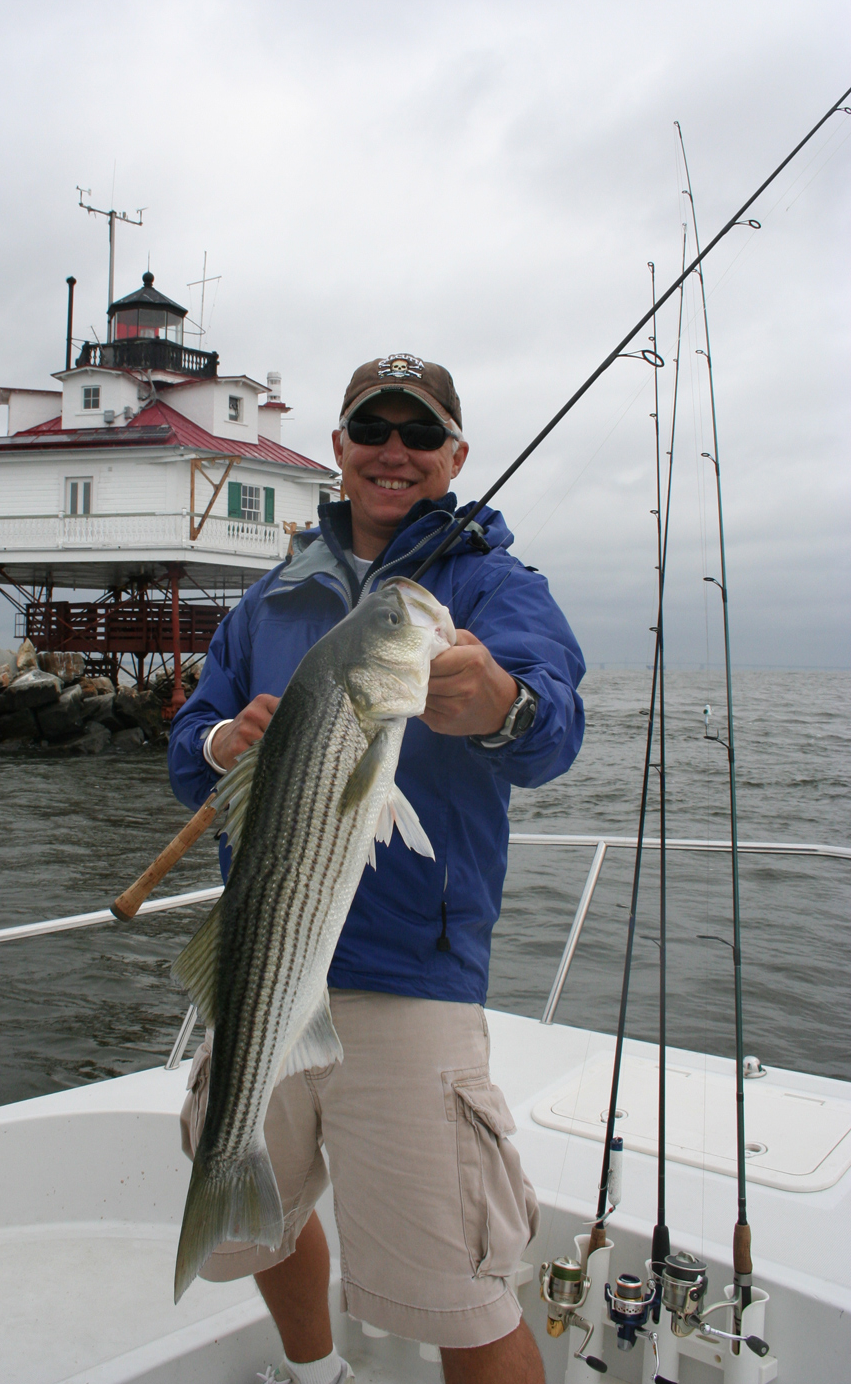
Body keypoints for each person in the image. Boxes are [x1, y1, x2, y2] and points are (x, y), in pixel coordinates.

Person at [168, 353, 585, 1384]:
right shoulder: (270, 599)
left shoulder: (494, 586)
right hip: (262, 959)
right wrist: (225, 741)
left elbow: (553, 732)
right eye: (372, 430)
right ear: (339, 448)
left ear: (456, 456)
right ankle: (317, 1373)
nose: (394, 452)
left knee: (459, 1293)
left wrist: (501, 704)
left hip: (411, 977)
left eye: (421, 434)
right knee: (257, 1218)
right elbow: (187, 745)